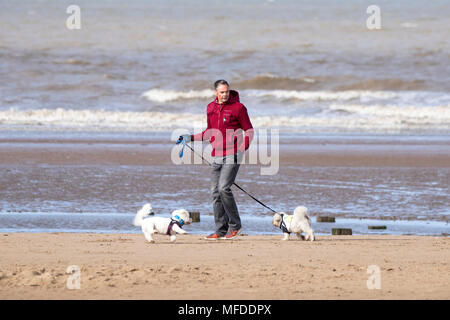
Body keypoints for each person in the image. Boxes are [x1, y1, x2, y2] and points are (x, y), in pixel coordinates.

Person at [177, 79, 254, 240]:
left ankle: (236, 226)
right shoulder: (210, 108)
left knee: (224, 188)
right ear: (216, 93)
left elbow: (249, 130)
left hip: (233, 153)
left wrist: (241, 148)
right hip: (217, 154)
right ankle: (220, 230)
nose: (225, 94)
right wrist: (189, 137)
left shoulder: (238, 108)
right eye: (222, 92)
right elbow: (209, 132)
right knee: (215, 192)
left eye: (227, 91)